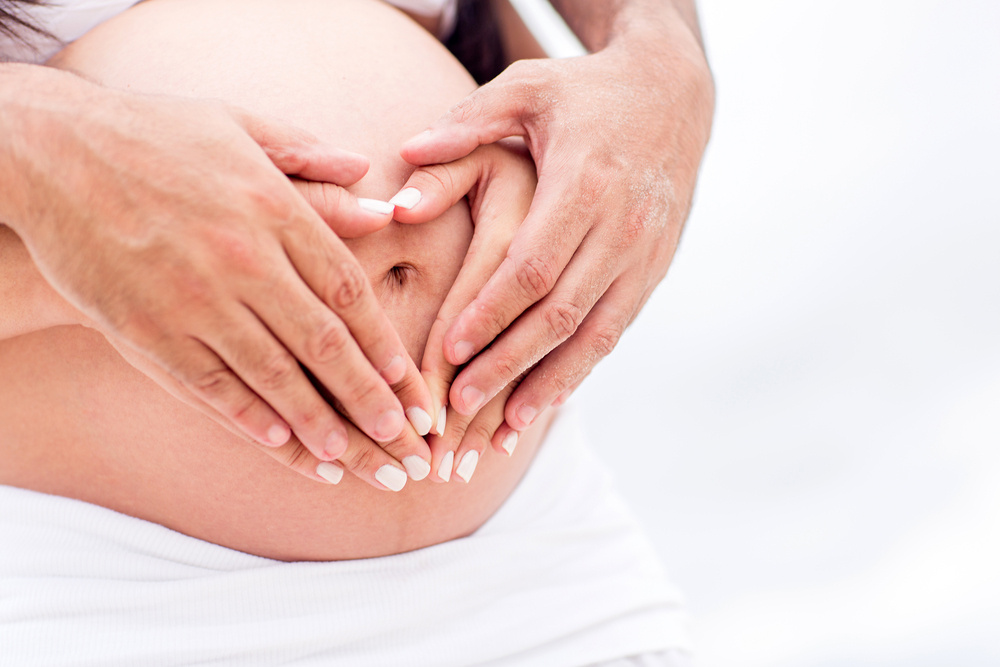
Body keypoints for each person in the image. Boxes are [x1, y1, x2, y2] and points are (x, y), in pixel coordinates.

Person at [1, 1, 692, 664]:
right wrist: (66, 245)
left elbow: (568, 62)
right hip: (116, 603)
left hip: (546, 576)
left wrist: (660, 69)